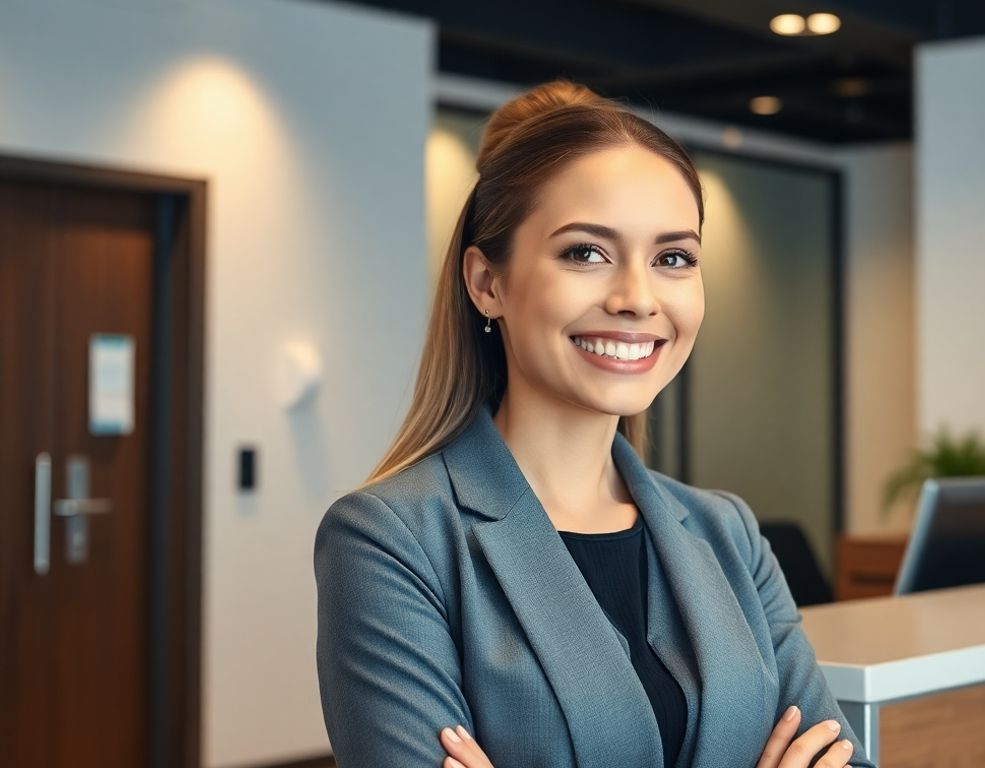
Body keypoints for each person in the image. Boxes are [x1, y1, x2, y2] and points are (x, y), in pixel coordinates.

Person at [313, 79, 876, 768]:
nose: (638, 299)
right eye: (586, 252)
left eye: (673, 258)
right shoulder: (392, 542)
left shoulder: (728, 534)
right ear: (487, 282)